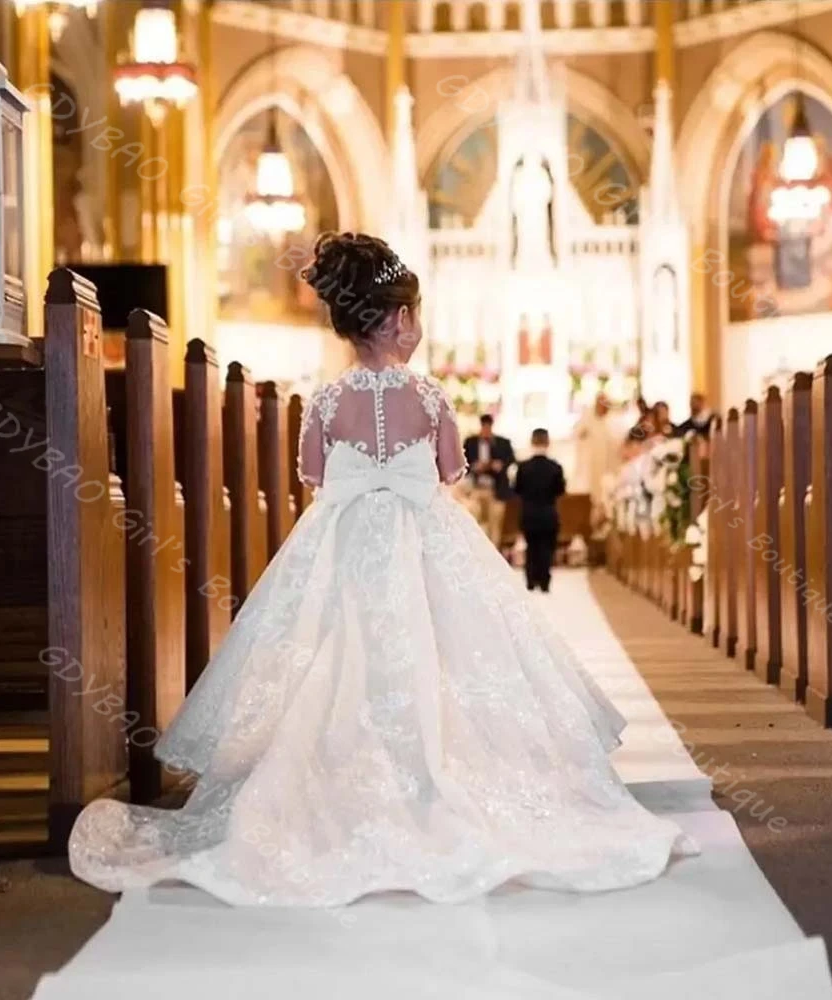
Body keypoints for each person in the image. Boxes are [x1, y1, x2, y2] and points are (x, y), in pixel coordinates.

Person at [67, 231, 693, 907]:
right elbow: (453, 471)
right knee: (445, 648)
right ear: (400, 319)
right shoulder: (428, 397)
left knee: (337, 648)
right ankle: (434, 774)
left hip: (343, 536)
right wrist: (409, 472)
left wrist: (362, 476)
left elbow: (311, 472)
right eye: (415, 316)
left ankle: (334, 774)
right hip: (426, 533)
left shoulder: (329, 401)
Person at [514, 428, 566, 593]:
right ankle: (544, 581)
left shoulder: (523, 467)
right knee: (546, 549)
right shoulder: (555, 467)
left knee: (531, 548)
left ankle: (530, 580)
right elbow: (560, 490)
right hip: (548, 513)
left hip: (529, 513)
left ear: (532, 442)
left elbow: (517, 489)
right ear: (548, 442)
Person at [463, 413, 515, 551]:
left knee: (495, 524)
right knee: (474, 522)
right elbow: (463, 462)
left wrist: (498, 465)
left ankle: (494, 553)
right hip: (476, 489)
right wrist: (475, 467)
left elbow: (511, 460)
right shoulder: (471, 443)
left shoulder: (503, 443)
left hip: (496, 490)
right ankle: (476, 552)